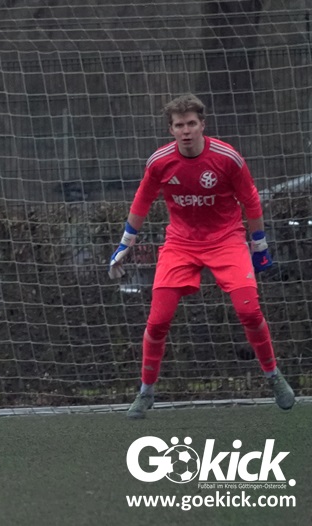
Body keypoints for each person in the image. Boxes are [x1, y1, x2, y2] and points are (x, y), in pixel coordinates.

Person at [108, 93, 295, 419]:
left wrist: (259, 243)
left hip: (226, 241)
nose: (186, 130)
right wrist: (125, 244)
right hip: (180, 244)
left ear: (202, 125)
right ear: (171, 129)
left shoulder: (227, 158)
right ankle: (145, 392)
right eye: (179, 125)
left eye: (191, 123)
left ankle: (273, 376)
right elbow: (142, 200)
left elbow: (251, 199)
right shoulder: (159, 162)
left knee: (249, 311)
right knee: (158, 320)